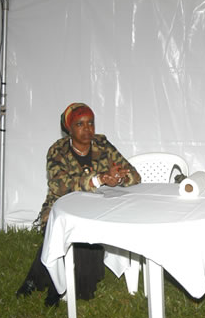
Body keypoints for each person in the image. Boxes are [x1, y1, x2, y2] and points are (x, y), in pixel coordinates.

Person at [16, 102, 141, 306]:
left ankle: (60, 287)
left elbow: (134, 174)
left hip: (99, 209)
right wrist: (98, 179)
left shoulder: (102, 144)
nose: (87, 129)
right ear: (69, 128)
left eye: (90, 123)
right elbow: (59, 186)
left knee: (85, 239)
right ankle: (45, 283)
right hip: (60, 208)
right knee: (62, 229)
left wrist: (118, 178)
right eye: (80, 124)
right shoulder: (57, 150)